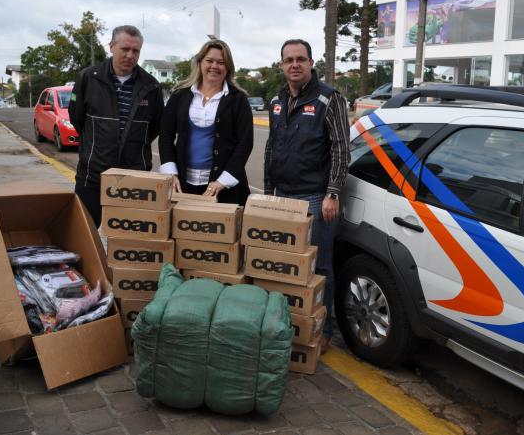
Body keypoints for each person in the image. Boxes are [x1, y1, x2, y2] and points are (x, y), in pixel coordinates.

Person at [264, 39, 350, 354]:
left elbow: (341, 147)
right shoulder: (276, 99)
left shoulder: (330, 98)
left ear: (311, 62)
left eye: (301, 59)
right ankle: (290, 321)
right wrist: (268, 193)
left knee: (320, 267)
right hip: (283, 196)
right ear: (281, 65)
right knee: (284, 264)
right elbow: (271, 147)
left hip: (315, 198)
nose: (295, 64)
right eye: (289, 60)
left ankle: (323, 329)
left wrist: (333, 193)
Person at [68, 25, 164, 227]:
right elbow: (77, 118)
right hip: (93, 175)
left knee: (127, 244)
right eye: (125, 49)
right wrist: (95, 147)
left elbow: (154, 127)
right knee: (85, 234)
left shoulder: (152, 86)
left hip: (134, 179)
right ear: (112, 47)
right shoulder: (88, 78)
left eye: (136, 51)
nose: (130, 55)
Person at [158, 39, 253, 204]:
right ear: (200, 63)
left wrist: (222, 182)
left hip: (224, 189)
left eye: (221, 62)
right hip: (182, 185)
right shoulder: (180, 95)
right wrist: (170, 173)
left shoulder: (238, 99)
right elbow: (165, 135)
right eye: (209, 60)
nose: (214, 66)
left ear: (228, 67)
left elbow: (245, 143)